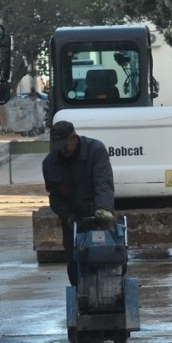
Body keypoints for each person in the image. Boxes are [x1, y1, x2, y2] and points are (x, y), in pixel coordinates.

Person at [42, 120, 115, 287]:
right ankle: (80, 297)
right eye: (57, 146)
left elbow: (103, 182)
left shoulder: (96, 151)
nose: (62, 150)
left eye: (65, 145)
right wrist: (67, 217)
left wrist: (103, 209)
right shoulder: (50, 163)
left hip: (99, 217)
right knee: (75, 263)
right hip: (73, 222)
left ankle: (111, 293)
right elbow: (55, 197)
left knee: (108, 257)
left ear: (74, 139)